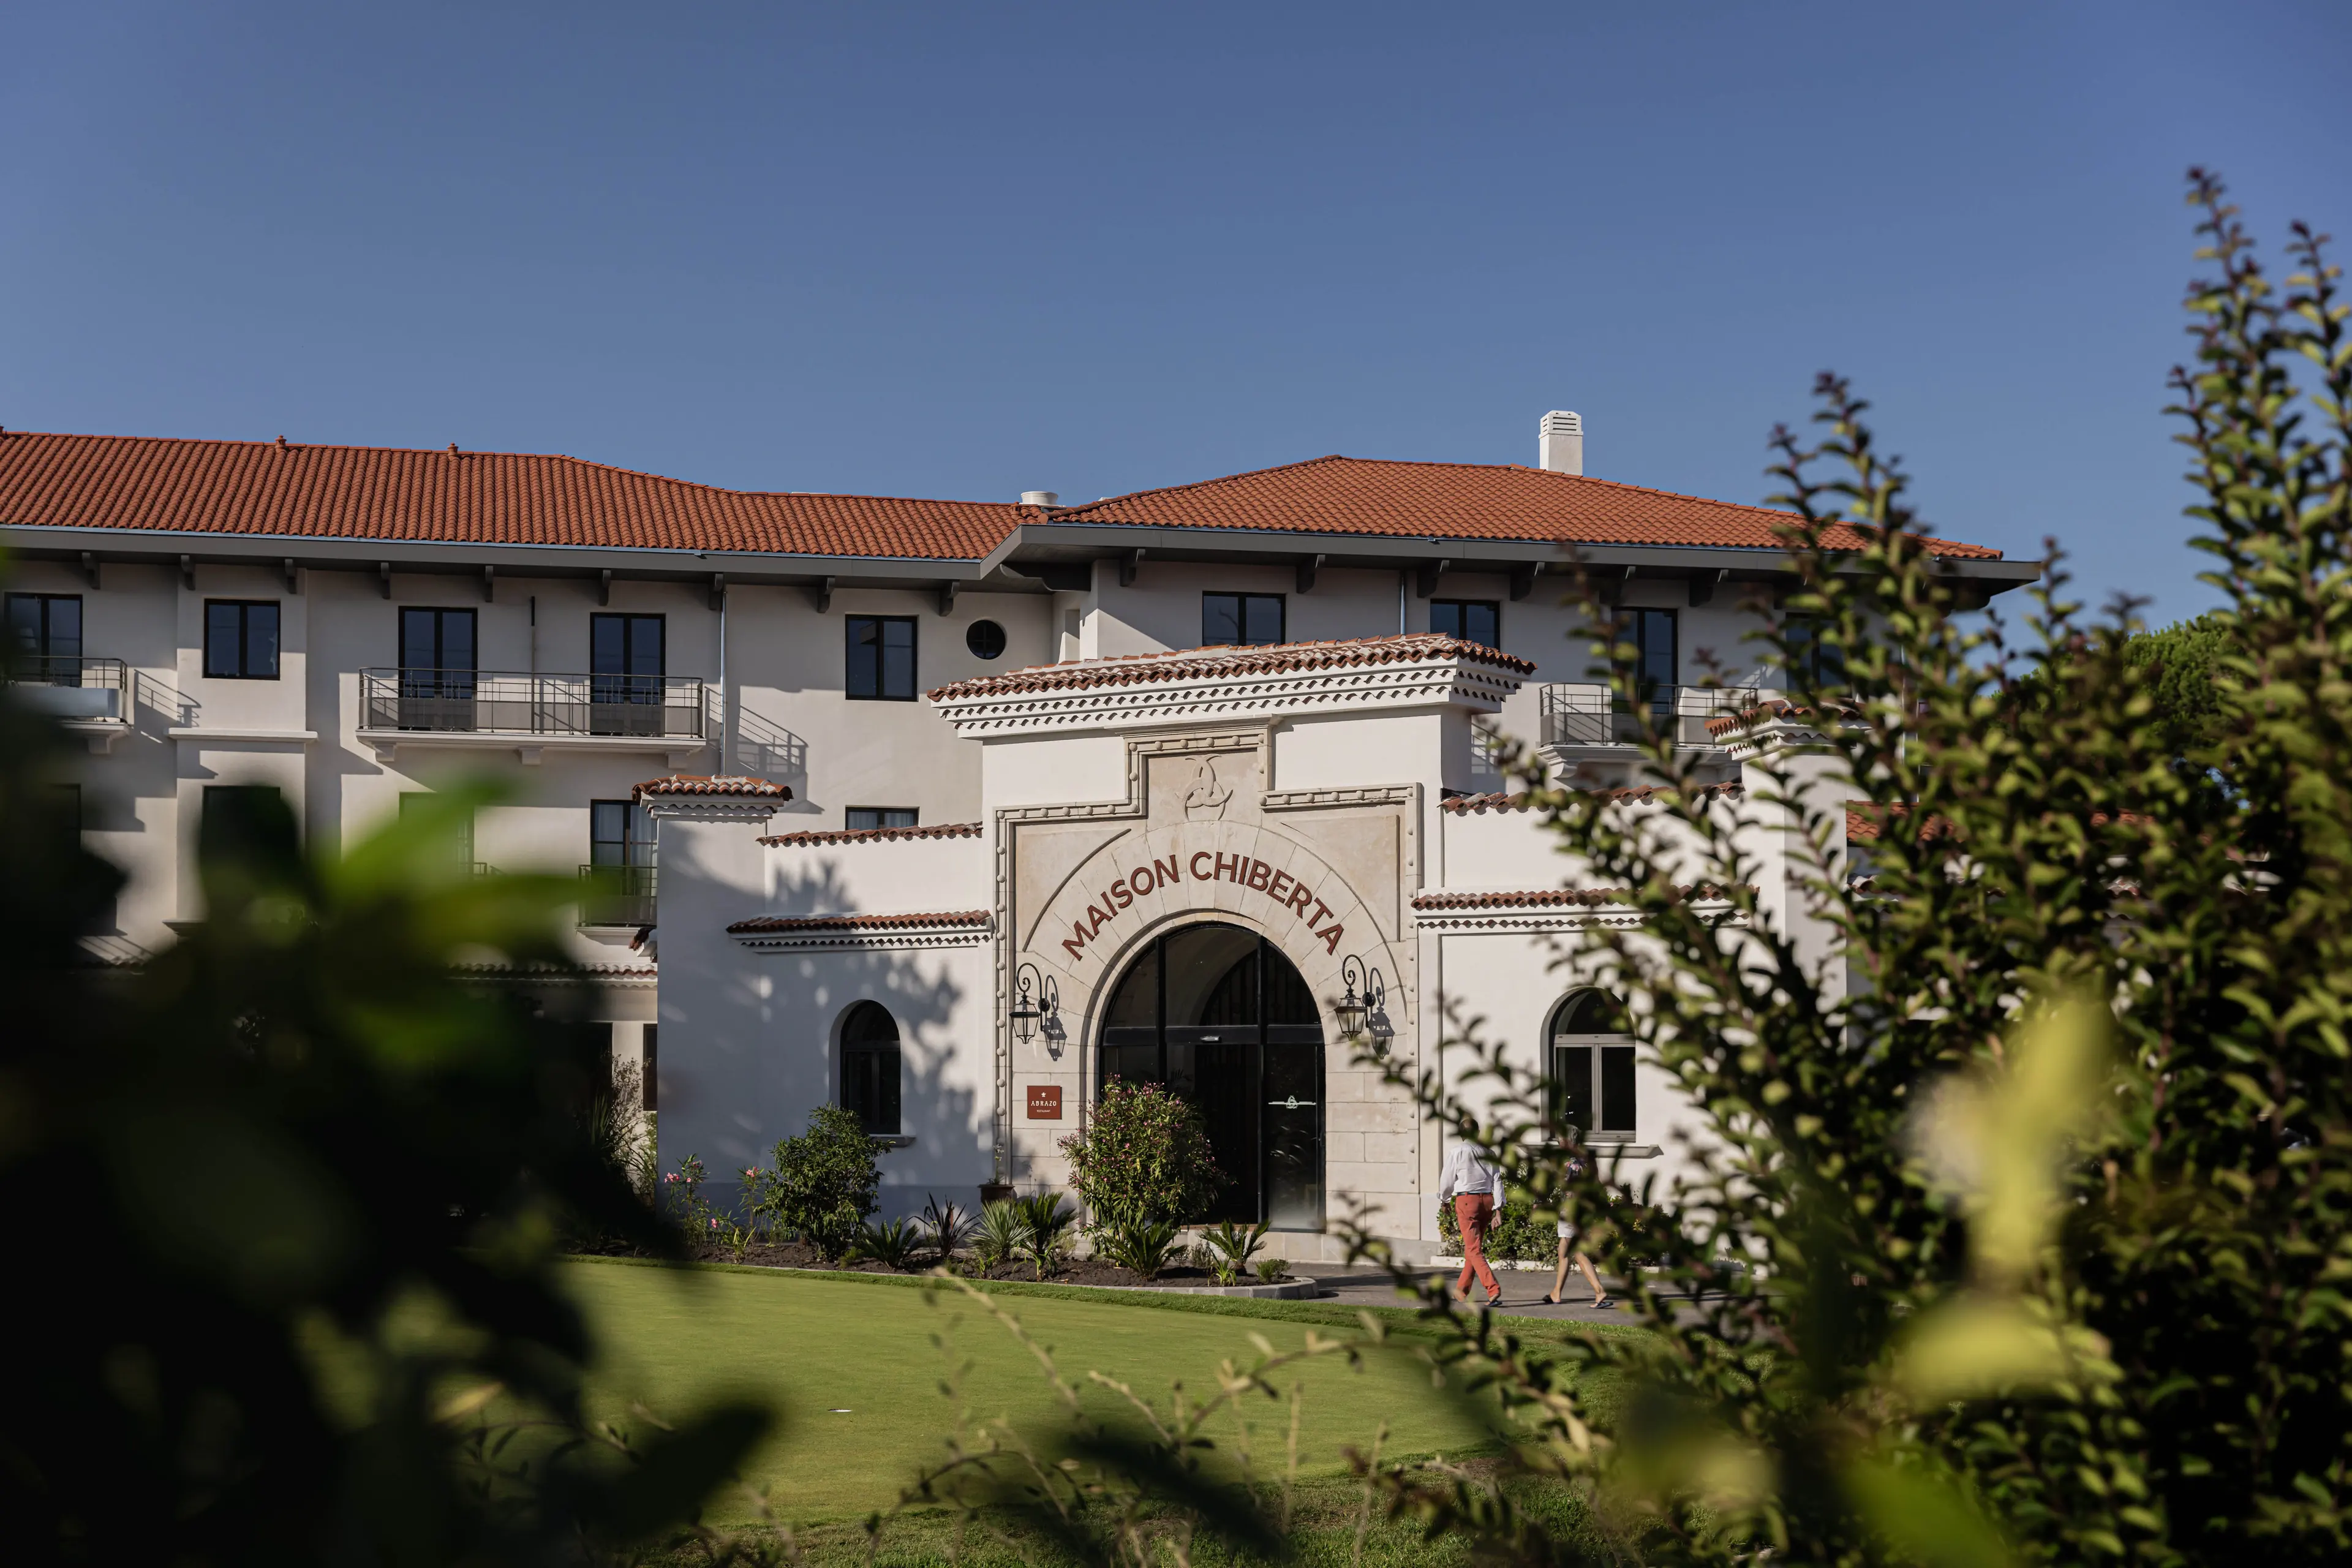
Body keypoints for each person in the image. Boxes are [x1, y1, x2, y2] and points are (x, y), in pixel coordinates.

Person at [1436, 1139, 1505, 1308]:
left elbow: (1447, 1180)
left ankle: (1492, 1288)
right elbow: (1498, 1181)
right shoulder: (1490, 1153)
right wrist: (1498, 1210)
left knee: (1473, 1249)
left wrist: (1444, 1200)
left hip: (1467, 1200)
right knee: (1473, 1248)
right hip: (1486, 1200)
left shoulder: (1457, 1151)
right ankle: (1461, 1290)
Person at [1544, 1147, 1613, 1309]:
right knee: (1563, 1250)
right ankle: (1556, 1293)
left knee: (1576, 1252)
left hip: (1570, 1211)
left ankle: (1599, 1291)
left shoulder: (1570, 1163)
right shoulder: (1585, 1162)